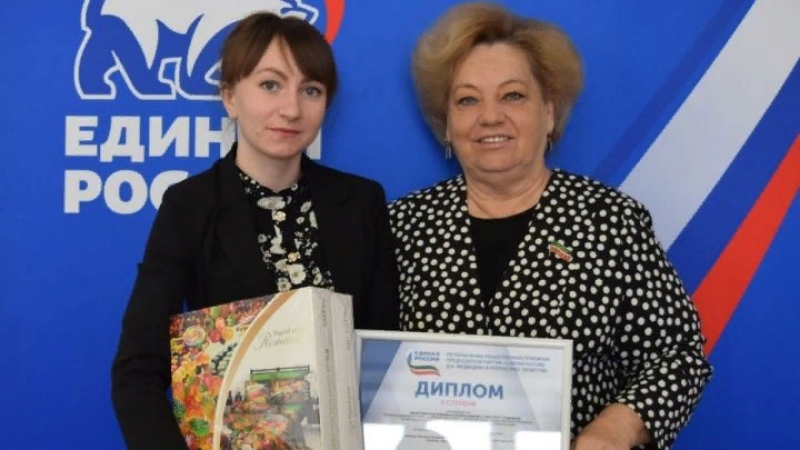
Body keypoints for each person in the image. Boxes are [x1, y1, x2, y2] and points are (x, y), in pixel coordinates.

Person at [388, 3, 713, 449]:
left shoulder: (608, 220)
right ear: (446, 123)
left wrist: (609, 433)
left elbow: (677, 357)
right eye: (467, 100)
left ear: (549, 112)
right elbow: (358, 360)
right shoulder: (402, 225)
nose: (490, 116)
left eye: (513, 96)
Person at [111, 12, 399, 450]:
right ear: (229, 97)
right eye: (270, 85)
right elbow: (136, 373)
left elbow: (380, 357)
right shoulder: (190, 206)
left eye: (311, 90)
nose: (291, 109)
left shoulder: (360, 202)